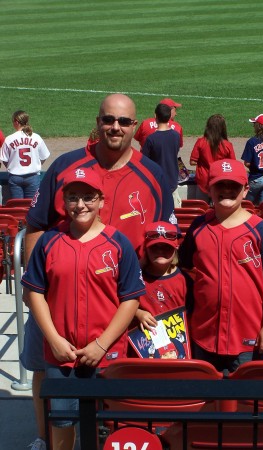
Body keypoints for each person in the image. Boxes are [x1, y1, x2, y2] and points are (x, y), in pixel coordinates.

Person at [21, 93, 175, 450]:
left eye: (123, 122)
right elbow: (36, 226)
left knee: (117, 385)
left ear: (135, 127)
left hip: (124, 303)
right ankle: (46, 438)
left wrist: (138, 302)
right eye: (108, 120)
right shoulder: (66, 166)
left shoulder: (152, 174)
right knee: (47, 371)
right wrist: (37, 290)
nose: (115, 127)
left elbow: (164, 243)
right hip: (57, 298)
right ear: (98, 120)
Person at [21, 167, 145, 450]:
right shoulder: (50, 241)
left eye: (88, 197)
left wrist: (101, 345)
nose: (80, 205)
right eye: (73, 197)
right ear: (63, 201)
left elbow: (131, 299)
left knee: (106, 423)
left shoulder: (117, 242)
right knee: (62, 421)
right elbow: (35, 293)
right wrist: (53, 340)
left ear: (101, 200)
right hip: (61, 353)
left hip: (107, 353)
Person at [179, 159, 263, 376]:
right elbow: (182, 266)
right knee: (206, 399)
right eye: (220, 185)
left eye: (234, 186)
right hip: (204, 333)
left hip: (249, 335)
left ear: (246, 189)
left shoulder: (260, 230)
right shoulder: (198, 227)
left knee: (246, 400)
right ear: (208, 188)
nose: (227, 190)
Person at [135, 221, 193, 332]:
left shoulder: (185, 280)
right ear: (146, 249)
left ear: (175, 249)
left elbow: (192, 315)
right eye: (154, 247)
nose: (160, 251)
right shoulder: (137, 278)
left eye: (166, 247)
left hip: (179, 340)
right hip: (145, 341)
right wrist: (138, 313)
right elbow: (121, 303)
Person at [0, 110, 50, 199]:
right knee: (31, 206)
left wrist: (12, 166)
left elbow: (4, 159)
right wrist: (36, 164)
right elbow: (44, 156)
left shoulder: (9, 139)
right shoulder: (36, 137)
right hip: (33, 177)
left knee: (17, 206)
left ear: (16, 122)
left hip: (15, 178)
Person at [141, 104, 181, 207]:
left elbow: (144, 161)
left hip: (157, 182)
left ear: (155, 116)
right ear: (169, 117)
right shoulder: (176, 136)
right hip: (172, 181)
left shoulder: (151, 139)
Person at [190, 114, 236, 201]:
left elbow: (192, 162)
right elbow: (232, 163)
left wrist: (203, 161)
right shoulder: (227, 145)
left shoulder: (201, 142)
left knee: (201, 207)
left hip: (203, 180)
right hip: (220, 180)